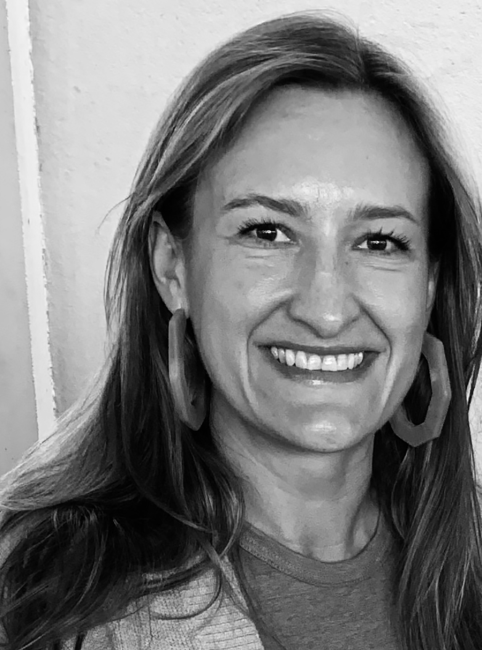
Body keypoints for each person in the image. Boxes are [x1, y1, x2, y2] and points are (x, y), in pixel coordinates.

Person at [1, 10, 482, 650]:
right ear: (173, 267)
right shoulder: (35, 592)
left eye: (379, 240)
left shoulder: (468, 556)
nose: (327, 308)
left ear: (428, 286)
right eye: (267, 232)